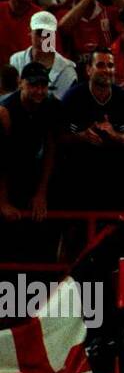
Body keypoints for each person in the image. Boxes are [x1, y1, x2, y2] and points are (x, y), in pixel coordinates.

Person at [0, 63, 60, 259]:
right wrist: (3, 202)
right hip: (8, 174)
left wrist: (41, 192)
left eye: (43, 85)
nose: (39, 91)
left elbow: (51, 148)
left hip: (32, 171)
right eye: (34, 85)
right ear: (21, 84)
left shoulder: (50, 106)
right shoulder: (5, 112)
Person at [9, 10, 76, 98]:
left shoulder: (67, 71)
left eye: (48, 35)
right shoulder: (16, 60)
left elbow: (60, 105)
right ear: (30, 31)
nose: (42, 40)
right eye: (39, 33)